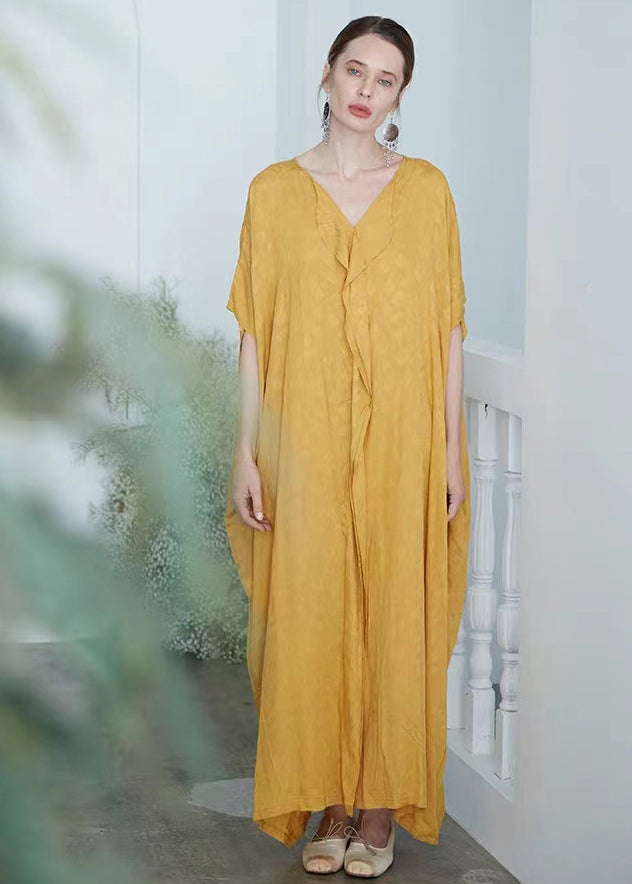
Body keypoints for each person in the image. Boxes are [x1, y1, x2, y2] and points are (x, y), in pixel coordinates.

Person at [224, 15, 470, 879]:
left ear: (401, 95)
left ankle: (378, 809)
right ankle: (327, 798)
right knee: (311, 610)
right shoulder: (273, 194)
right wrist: (246, 451)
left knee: (395, 608)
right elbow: (255, 334)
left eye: (386, 79)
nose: (367, 90)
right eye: (355, 70)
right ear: (327, 75)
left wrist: (451, 451)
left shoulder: (427, 191)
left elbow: (448, 330)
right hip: (306, 438)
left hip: (404, 441)